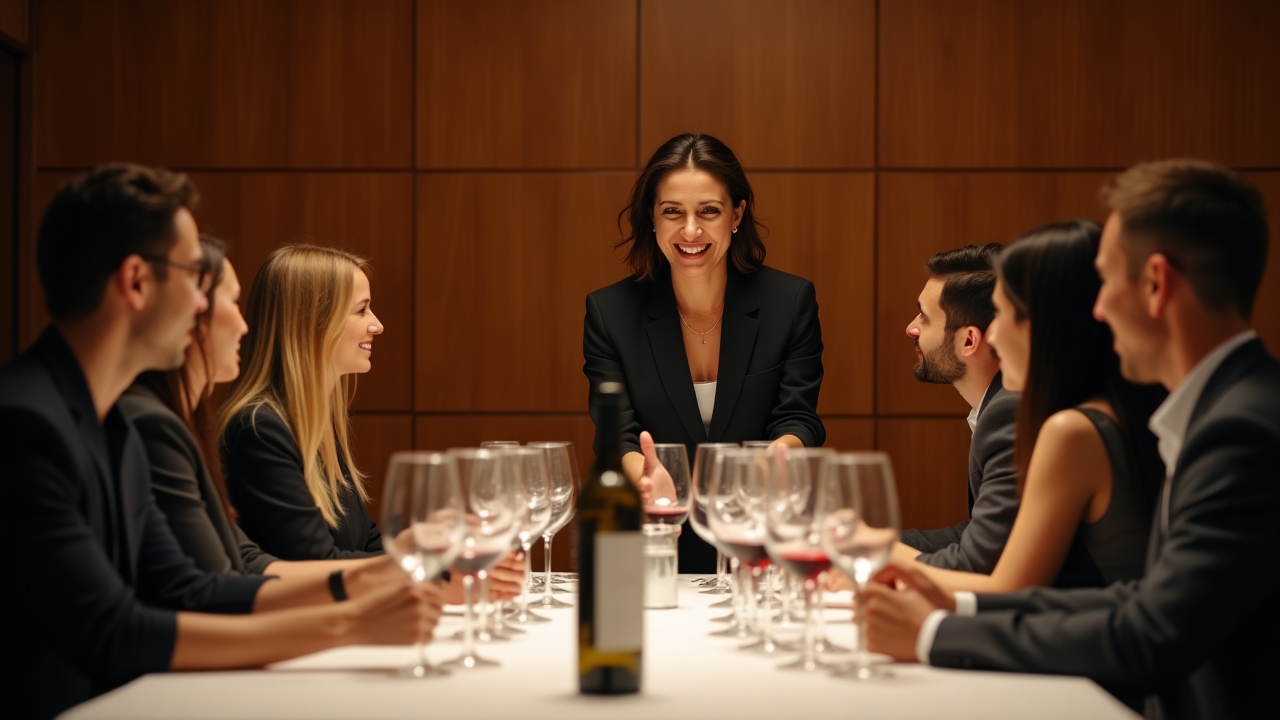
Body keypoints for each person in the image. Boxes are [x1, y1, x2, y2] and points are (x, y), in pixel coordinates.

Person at [0, 165, 440, 720]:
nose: (208, 307)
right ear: (136, 282)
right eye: (193, 278)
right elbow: (114, 632)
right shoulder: (26, 423)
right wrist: (350, 622)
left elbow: (191, 589)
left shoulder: (110, 422)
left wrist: (385, 572)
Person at [862, 160, 1279, 720]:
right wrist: (957, 604)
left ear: (1156, 284)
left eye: (1107, 281)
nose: (1097, 310)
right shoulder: (1227, 406)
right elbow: (1139, 599)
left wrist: (935, 633)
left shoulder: (1241, 429)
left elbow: (1153, 633)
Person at [127, 237, 519, 600]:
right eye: (362, 310)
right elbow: (306, 562)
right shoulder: (258, 427)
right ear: (313, 323)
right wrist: (425, 571)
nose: (377, 325)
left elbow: (356, 546)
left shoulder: (316, 423)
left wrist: (429, 551)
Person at [583, 133, 825, 572]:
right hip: (652, 540)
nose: (690, 231)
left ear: (737, 214)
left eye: (708, 211)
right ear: (652, 220)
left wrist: (769, 464)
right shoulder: (609, 312)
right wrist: (648, 479)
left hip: (758, 539)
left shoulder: (789, 302)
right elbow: (615, 432)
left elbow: (798, 417)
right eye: (672, 212)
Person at [896, 244, 1021, 574]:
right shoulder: (1002, 403)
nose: (912, 328)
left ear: (969, 340)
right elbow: (978, 537)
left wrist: (869, 553)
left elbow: (980, 561)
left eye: (924, 317)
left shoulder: (1009, 413)